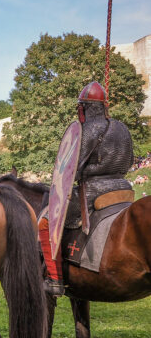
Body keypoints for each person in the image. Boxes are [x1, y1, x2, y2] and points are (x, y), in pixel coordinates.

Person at [39, 82, 134, 296]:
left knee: (45, 222)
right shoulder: (122, 128)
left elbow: (73, 168)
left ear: (83, 107)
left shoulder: (86, 129)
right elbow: (128, 161)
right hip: (123, 189)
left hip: (93, 191)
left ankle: (53, 279)